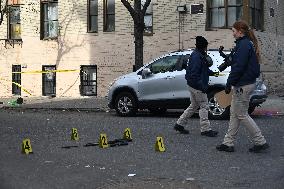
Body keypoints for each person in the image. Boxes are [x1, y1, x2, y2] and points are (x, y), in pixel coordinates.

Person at [216, 20, 269, 153]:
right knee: (234, 113)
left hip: (243, 85)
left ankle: (260, 141)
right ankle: (228, 143)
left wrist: (229, 83)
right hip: (244, 84)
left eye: (233, 31)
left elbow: (238, 68)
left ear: (240, 31)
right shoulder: (245, 44)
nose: (233, 34)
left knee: (241, 114)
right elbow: (238, 64)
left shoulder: (244, 45)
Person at [174, 36, 218, 137]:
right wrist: (202, 86)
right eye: (206, 47)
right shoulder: (197, 57)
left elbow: (202, 70)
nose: (206, 49)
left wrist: (212, 73)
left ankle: (180, 124)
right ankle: (205, 129)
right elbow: (195, 74)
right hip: (197, 87)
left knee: (193, 105)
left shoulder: (196, 55)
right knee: (204, 106)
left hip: (192, 85)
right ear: (203, 46)